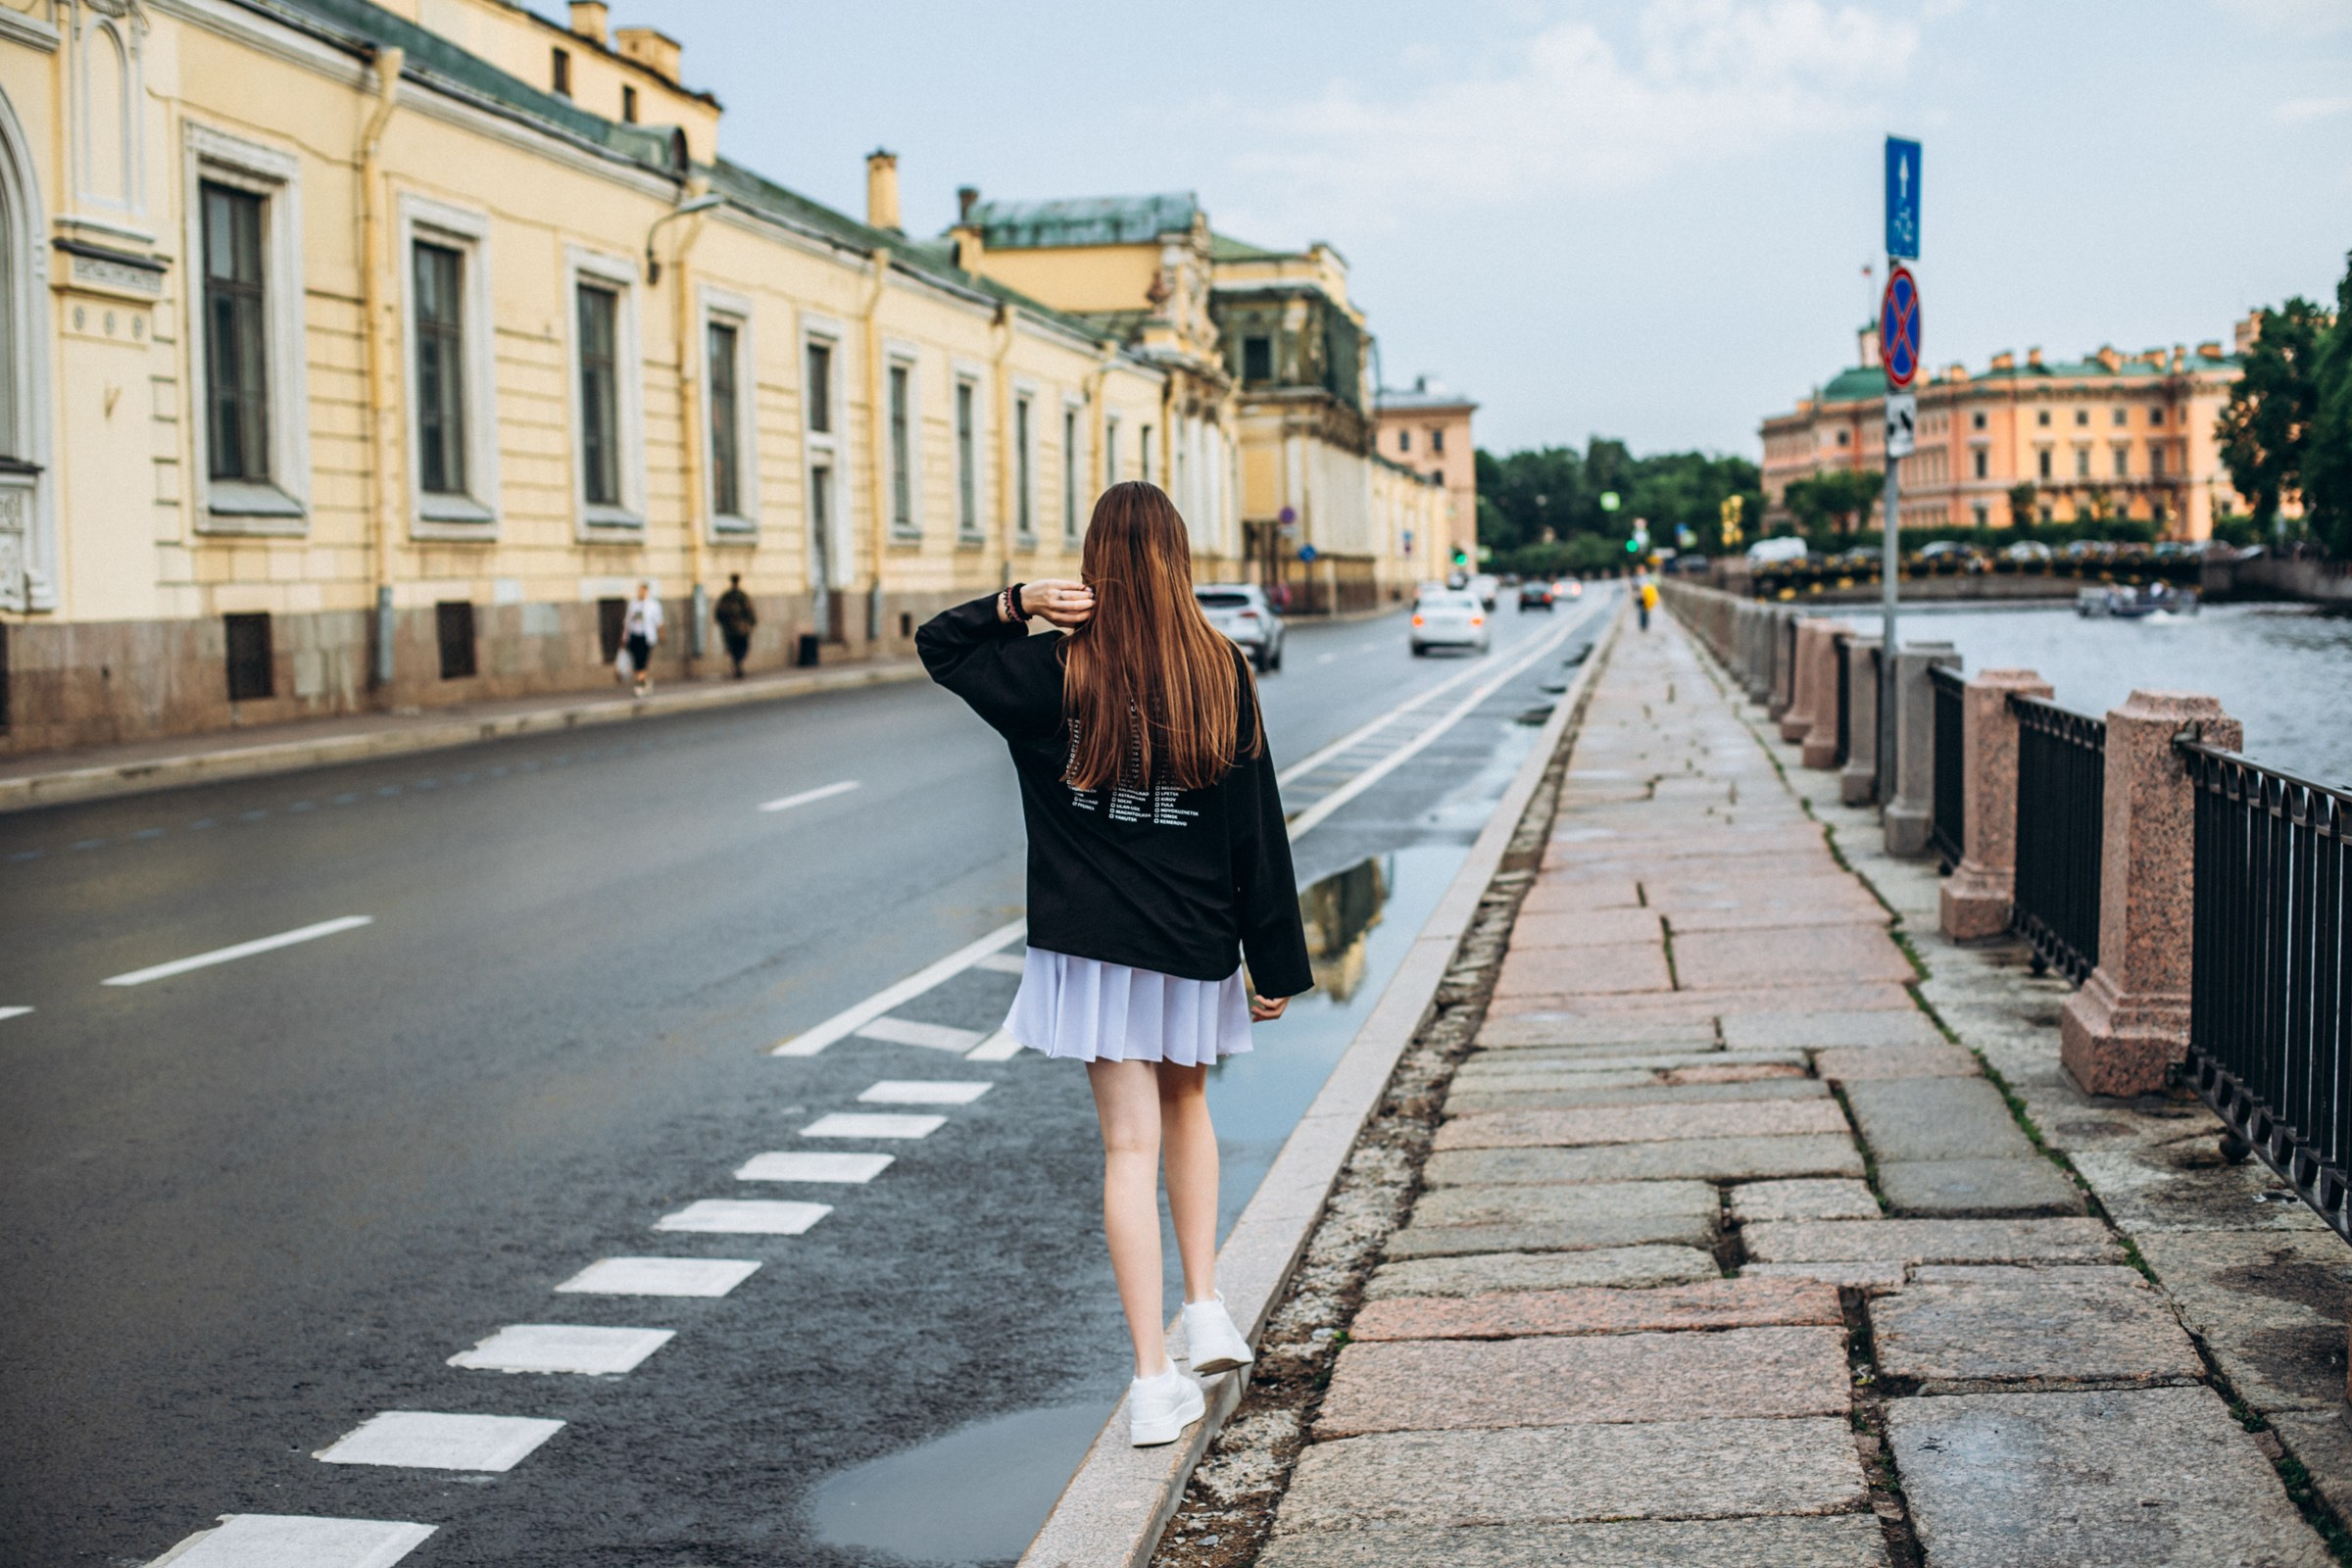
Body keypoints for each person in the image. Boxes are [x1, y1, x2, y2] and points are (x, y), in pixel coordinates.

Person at [917, 482, 1312, 1449]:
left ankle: (1150, 1381)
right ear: (1179, 562)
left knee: (1126, 1152)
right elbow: (1255, 828)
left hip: (1092, 951)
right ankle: (1208, 1304)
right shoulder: (1220, 670)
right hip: (1190, 942)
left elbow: (940, 645)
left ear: (1092, 566)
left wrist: (1016, 602)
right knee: (1189, 1111)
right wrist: (1275, 962)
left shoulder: (1054, 672)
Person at [621, 581, 662, 697]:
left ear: (647, 591)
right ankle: (644, 682)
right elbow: (627, 621)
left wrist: (661, 635)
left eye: (642, 590)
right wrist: (624, 637)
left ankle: (640, 685)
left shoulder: (653, 605)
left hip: (646, 637)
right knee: (636, 662)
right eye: (639, 590)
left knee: (642, 661)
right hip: (634, 635)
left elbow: (659, 621)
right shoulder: (633, 604)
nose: (640, 593)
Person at [714, 573, 758, 678]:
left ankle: (737, 664)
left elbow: (719, 612)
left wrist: (722, 623)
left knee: (733, 648)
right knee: (742, 647)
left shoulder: (727, 596)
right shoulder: (742, 595)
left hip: (730, 628)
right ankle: (738, 665)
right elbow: (749, 610)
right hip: (741, 628)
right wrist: (752, 622)